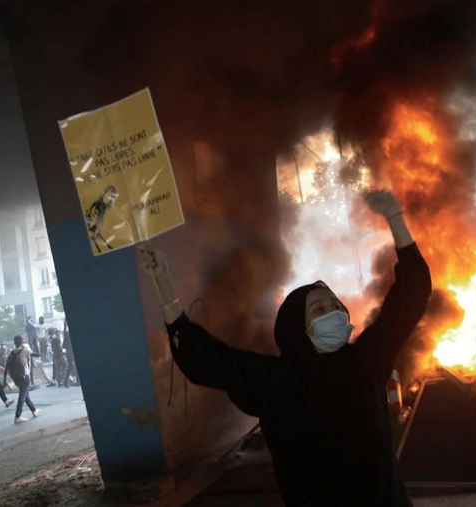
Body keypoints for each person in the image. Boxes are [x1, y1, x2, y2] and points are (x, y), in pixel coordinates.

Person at [139, 190, 432, 507]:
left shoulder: (365, 360)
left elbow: (411, 293)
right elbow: (203, 357)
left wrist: (394, 217)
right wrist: (164, 284)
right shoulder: (274, 380)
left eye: (336, 306)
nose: (333, 312)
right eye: (319, 310)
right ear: (297, 330)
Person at [3, 336, 40, 424]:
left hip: (16, 377)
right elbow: (38, 355)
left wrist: (4, 380)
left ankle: (34, 411)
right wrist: (36, 344)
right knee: (22, 395)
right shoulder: (24, 351)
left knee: (25, 394)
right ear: (22, 342)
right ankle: (17, 416)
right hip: (24, 376)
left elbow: (6, 367)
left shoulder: (11, 353)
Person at [63, 323, 76, 387]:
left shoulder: (66, 335)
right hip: (71, 352)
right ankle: (77, 380)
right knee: (72, 367)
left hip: (69, 353)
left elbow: (63, 346)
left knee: (70, 367)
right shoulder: (68, 334)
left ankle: (66, 381)